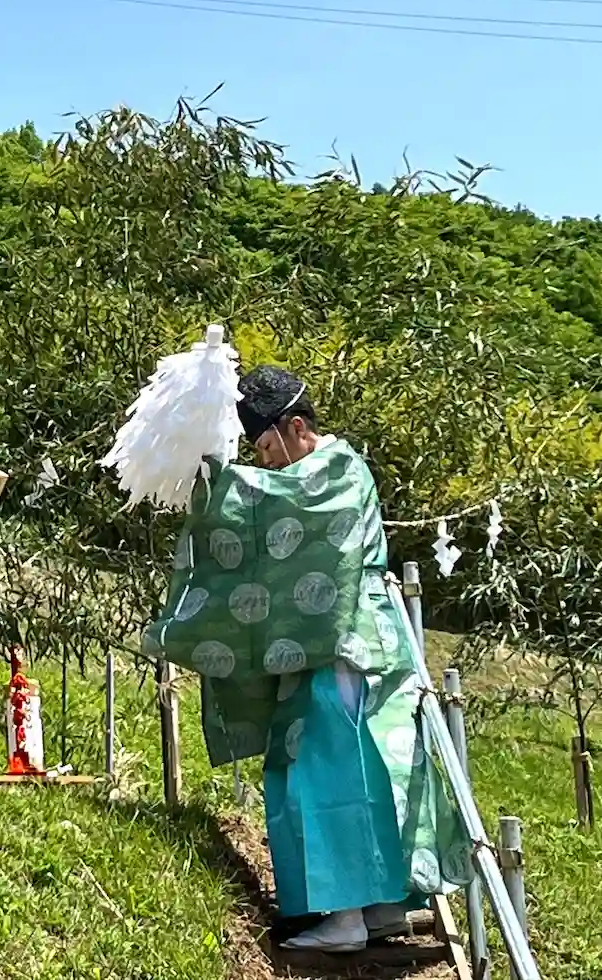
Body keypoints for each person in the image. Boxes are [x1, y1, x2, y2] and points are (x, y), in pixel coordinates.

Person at [141, 364, 471, 955]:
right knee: (368, 768)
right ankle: (381, 906)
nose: (265, 461)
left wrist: (219, 481)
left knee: (330, 771)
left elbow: (279, 507)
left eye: (267, 447)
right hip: (345, 642)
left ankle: (344, 916)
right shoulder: (332, 469)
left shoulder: (334, 469)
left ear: (296, 427)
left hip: (342, 643)